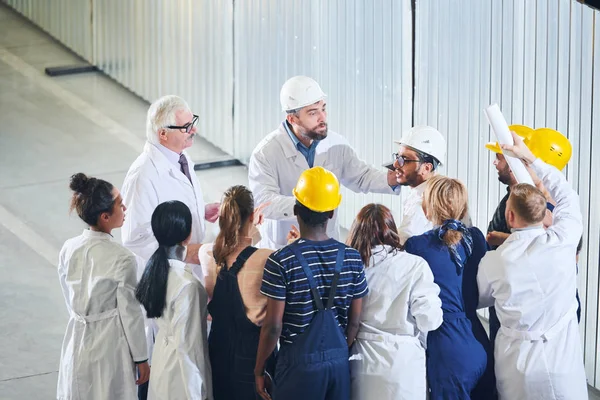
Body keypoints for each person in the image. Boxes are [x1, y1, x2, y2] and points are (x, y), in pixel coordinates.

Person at [121, 95, 219, 399]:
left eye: (193, 122)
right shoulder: (143, 175)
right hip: (166, 281)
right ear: (163, 133)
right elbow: (135, 237)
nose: (194, 130)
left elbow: (165, 208)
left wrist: (198, 210)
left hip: (185, 275)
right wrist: (191, 251)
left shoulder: (180, 157)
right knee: (167, 365)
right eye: (186, 126)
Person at [477, 131, 587, 399]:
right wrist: (530, 158)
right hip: (563, 364)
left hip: (516, 367)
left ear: (510, 216)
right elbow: (567, 195)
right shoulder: (563, 242)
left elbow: (479, 298)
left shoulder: (495, 261)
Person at [254, 166, 368, 400]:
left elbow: (273, 327)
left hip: (298, 370)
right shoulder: (351, 257)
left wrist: (259, 370)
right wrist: (335, 353)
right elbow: (355, 322)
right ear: (332, 213)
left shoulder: (280, 261)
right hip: (338, 365)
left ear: (295, 210)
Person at [248, 75, 399, 249]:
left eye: (323, 109)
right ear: (292, 119)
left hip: (326, 241)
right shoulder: (266, 153)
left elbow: (361, 176)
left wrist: (393, 179)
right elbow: (264, 202)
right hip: (284, 245)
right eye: (313, 113)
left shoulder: (336, 143)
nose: (323, 118)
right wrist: (310, 205)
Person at [57, 173, 149, 400]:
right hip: (109, 343)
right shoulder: (123, 258)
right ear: (105, 217)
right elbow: (131, 312)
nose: (125, 206)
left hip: (77, 335)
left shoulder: (69, 248)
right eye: (120, 203)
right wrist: (141, 358)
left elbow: (67, 293)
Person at [404, 176, 495, 399]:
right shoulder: (476, 239)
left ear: (427, 209)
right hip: (479, 340)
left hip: (446, 345)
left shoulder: (417, 246)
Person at [485, 125, 575, 342]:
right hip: (511, 300)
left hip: (531, 315)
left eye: (501, 157)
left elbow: (549, 252)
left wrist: (497, 239)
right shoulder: (517, 196)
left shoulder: (550, 209)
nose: (495, 162)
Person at [346, 203, 443, 400]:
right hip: (403, 365)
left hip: (361, 362)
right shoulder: (414, 265)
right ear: (391, 229)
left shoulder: (349, 266)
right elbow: (429, 320)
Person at [199, 185, 276, 400]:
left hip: (218, 355)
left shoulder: (208, 253)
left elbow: (234, 251)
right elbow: (249, 257)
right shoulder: (268, 258)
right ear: (252, 216)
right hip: (253, 360)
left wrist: (250, 227)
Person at [135, 200, 212, 400]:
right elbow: (190, 348)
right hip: (183, 376)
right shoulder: (188, 285)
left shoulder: (154, 272)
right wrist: (198, 393)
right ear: (188, 237)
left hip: (161, 360)